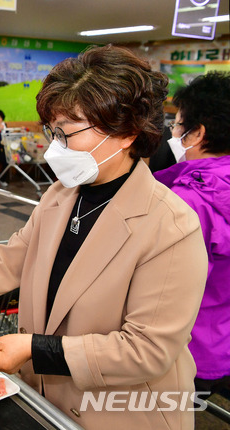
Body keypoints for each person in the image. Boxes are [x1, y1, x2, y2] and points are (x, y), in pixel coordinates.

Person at [0, 45, 209, 429]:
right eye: (52, 132)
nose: (56, 147)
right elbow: (12, 259)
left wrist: (36, 349)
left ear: (126, 133)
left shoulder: (170, 226)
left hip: (121, 412)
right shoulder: (61, 194)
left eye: (67, 133)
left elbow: (146, 350)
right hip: (48, 400)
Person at [154, 71, 230, 398]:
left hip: (191, 346)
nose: (174, 133)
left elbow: (164, 290)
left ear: (197, 133)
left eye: (178, 125)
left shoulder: (188, 201)